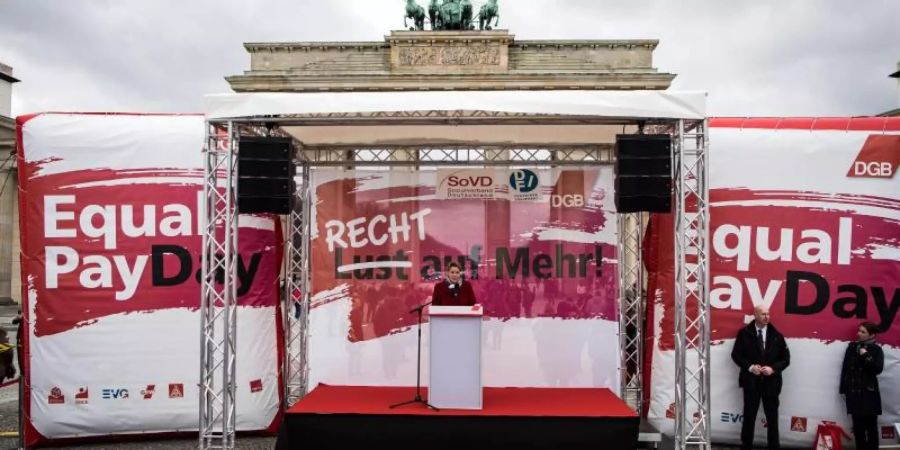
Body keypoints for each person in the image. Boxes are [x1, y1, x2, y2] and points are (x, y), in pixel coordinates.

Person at [730, 305, 790, 450]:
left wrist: (773, 369)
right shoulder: (744, 334)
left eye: (768, 314)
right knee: (749, 418)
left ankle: (774, 447)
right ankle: (746, 446)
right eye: (763, 314)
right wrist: (750, 368)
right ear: (755, 315)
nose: (766, 317)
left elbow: (786, 359)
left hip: (771, 384)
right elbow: (736, 355)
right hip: (751, 384)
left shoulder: (777, 336)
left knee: (772, 419)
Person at [839, 321, 884, 450]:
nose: (859, 333)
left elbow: (878, 369)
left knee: (871, 428)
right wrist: (843, 388)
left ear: (871, 335)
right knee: (858, 428)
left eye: (863, 332)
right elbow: (845, 368)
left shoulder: (876, 350)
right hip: (853, 392)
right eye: (859, 330)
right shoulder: (852, 347)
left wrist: (866, 355)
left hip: (869, 393)